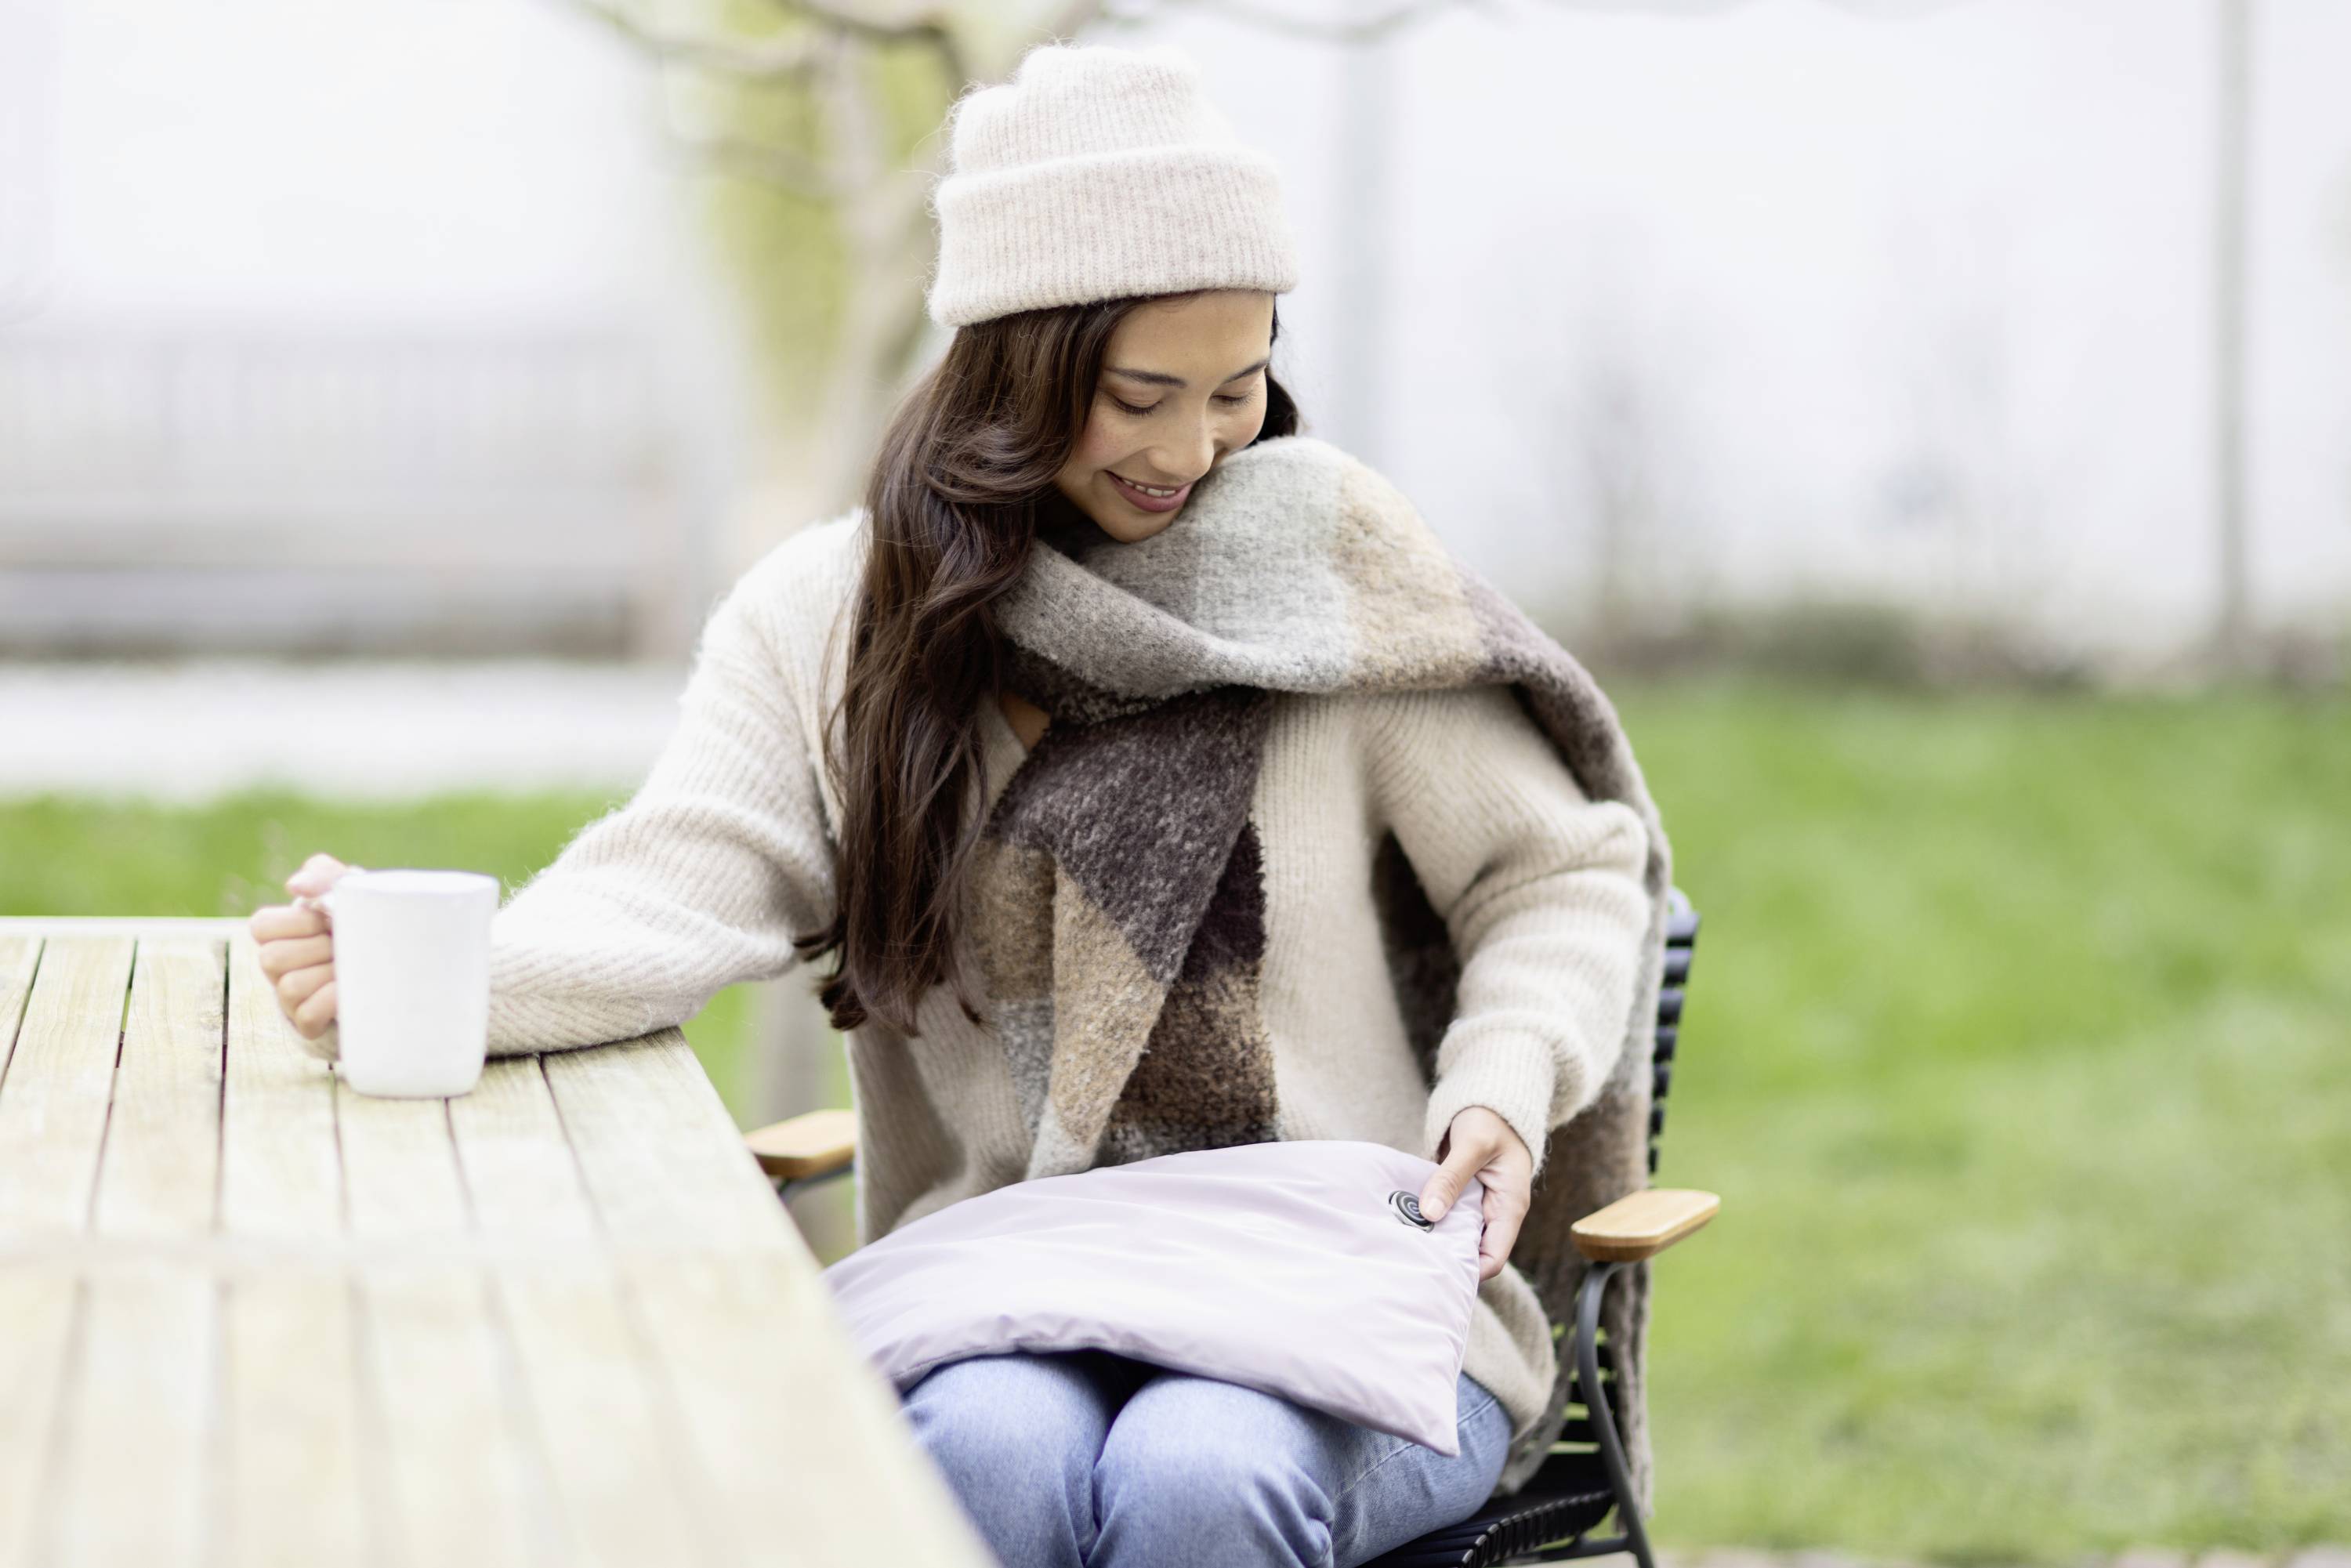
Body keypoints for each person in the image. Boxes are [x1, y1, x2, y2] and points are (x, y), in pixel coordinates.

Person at [248, 38, 1665, 1568]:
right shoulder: (841, 622)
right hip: (1014, 1276)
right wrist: (434, 965)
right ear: (1018, 362)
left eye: (1237, 388)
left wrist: (1507, 1073)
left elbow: (1563, 870)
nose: (1195, 449)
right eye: (1141, 395)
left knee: (1202, 1466)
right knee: (985, 1449)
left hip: (1340, 1289)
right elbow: (686, 879)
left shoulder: (1328, 580)